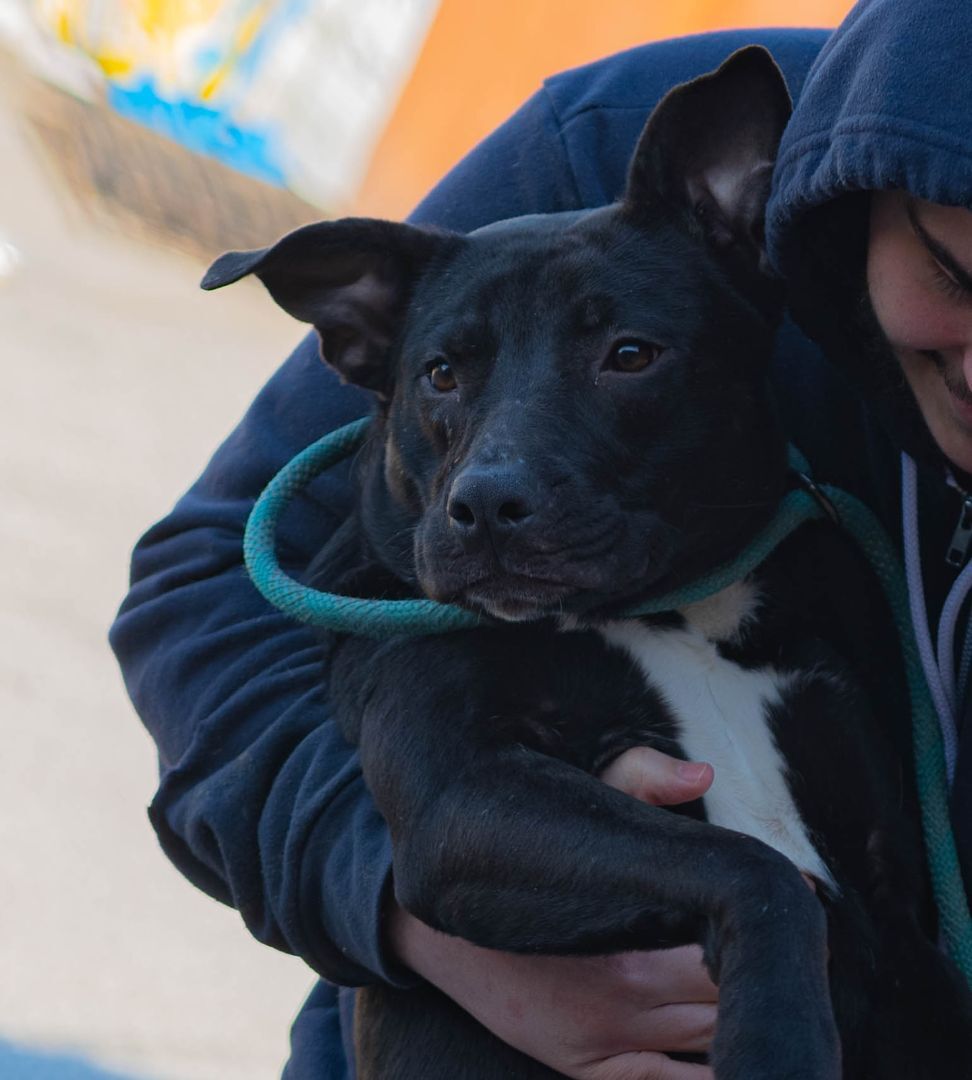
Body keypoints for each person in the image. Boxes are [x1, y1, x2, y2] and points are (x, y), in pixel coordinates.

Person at [109, 0, 972, 1076]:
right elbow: (206, 599)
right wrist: (415, 909)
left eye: (622, 359)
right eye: (955, 276)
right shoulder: (597, 163)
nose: (492, 479)